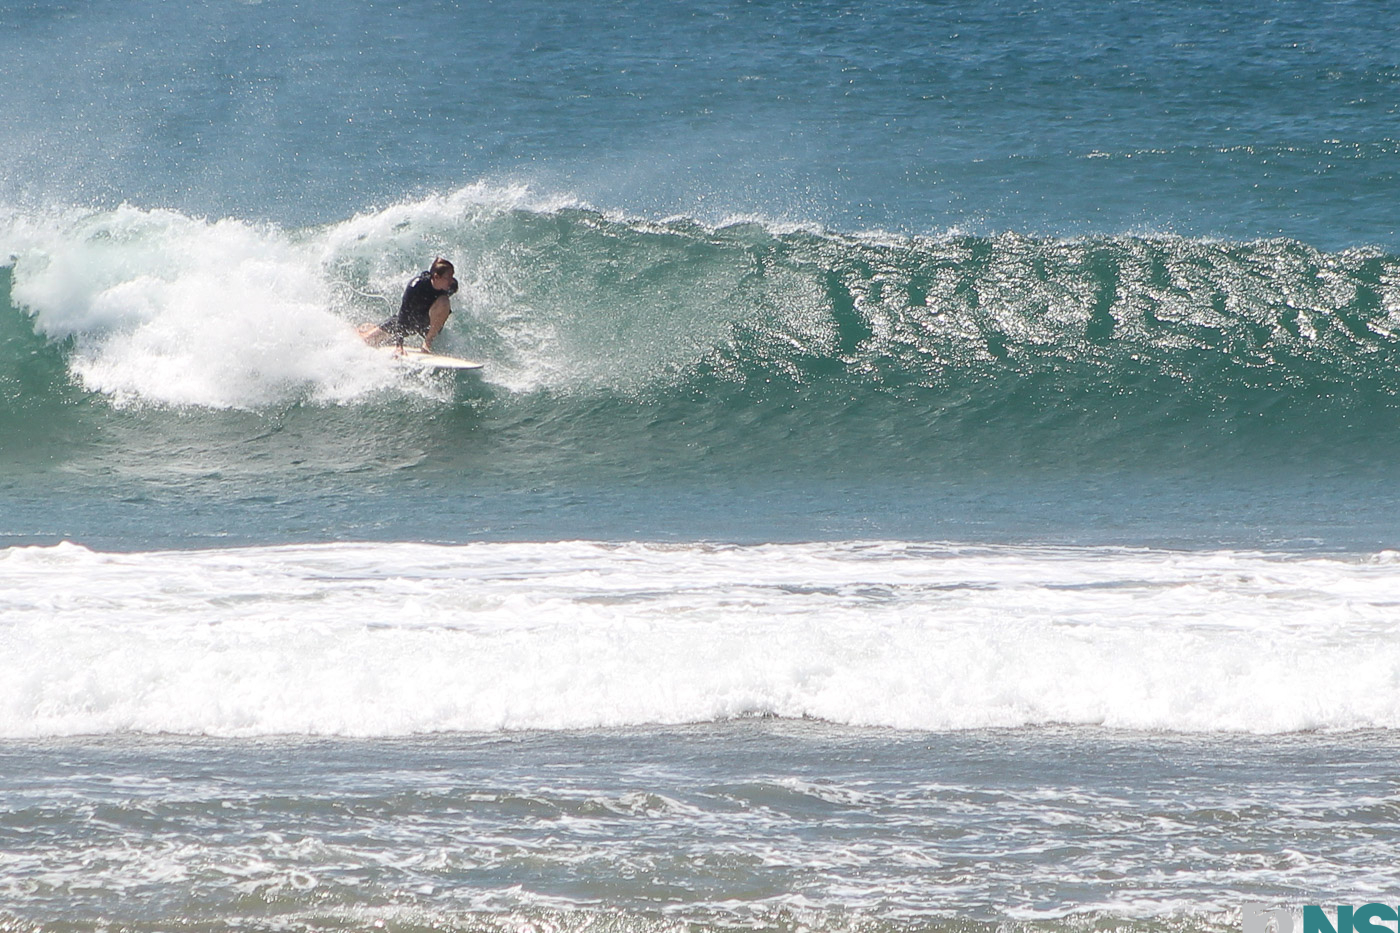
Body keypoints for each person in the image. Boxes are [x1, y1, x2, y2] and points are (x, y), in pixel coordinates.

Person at [358, 258, 458, 352]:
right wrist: (399, 346)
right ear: (436, 277)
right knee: (368, 340)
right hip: (409, 321)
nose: (451, 281)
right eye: (448, 277)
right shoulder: (416, 286)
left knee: (444, 301)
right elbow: (403, 314)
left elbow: (443, 310)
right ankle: (367, 330)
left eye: (452, 276)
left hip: (426, 325)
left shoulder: (451, 286)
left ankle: (427, 343)